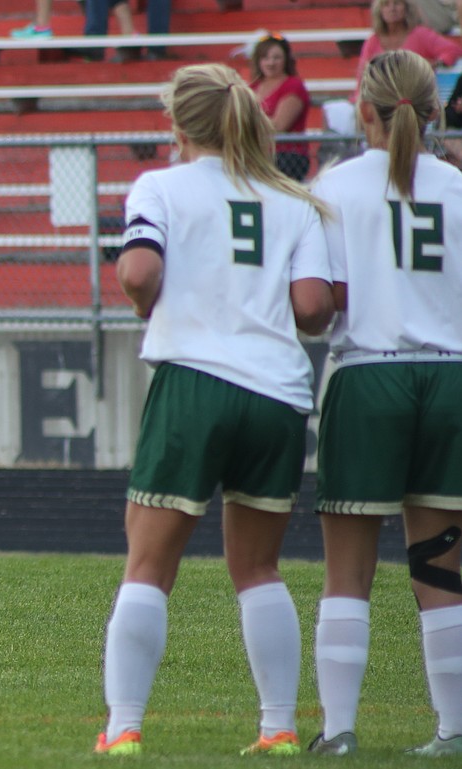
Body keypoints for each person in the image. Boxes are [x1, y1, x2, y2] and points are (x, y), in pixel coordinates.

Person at [95, 63, 333, 757]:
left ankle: (125, 727)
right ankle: (280, 727)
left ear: (178, 125)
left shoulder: (160, 186)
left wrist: (150, 306)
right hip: (278, 394)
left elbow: (139, 272)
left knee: (148, 565)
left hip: (195, 382)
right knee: (258, 569)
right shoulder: (292, 200)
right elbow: (314, 308)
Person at [308, 49, 462, 758]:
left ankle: (338, 731)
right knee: (440, 564)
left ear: (363, 109)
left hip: (369, 375)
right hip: (451, 377)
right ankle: (452, 728)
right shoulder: (458, 188)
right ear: (435, 109)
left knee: (349, 568)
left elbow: (319, 305)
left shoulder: (334, 186)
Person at [355, 0, 461, 94]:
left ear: (407, 8)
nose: (392, 9)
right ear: (380, 11)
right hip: (382, 99)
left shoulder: (420, 34)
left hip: (417, 98)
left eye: (397, 3)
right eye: (386, 4)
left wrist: (436, 63)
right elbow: (362, 75)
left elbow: (454, 50)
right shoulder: (373, 40)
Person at [248, 34, 312, 181]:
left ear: (286, 60)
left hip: (287, 156)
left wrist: (246, 123)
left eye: (276, 57)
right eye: (265, 58)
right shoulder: (252, 87)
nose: (271, 62)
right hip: (257, 153)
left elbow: (279, 125)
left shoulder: (293, 85)